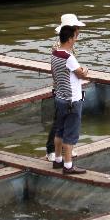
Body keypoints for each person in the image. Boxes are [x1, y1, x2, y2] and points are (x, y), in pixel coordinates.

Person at [51, 20, 91, 174]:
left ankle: (58, 160)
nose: (76, 39)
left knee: (59, 131)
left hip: (60, 97)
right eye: (75, 37)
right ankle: (68, 166)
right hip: (72, 100)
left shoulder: (55, 54)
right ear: (69, 39)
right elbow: (80, 73)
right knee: (71, 133)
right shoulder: (69, 58)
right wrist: (85, 69)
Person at [46, 14, 85, 163]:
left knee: (61, 125)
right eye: (76, 29)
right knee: (62, 125)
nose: (78, 32)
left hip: (61, 90)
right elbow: (76, 71)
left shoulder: (58, 49)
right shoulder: (63, 50)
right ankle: (61, 157)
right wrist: (82, 71)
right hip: (66, 93)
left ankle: (58, 155)